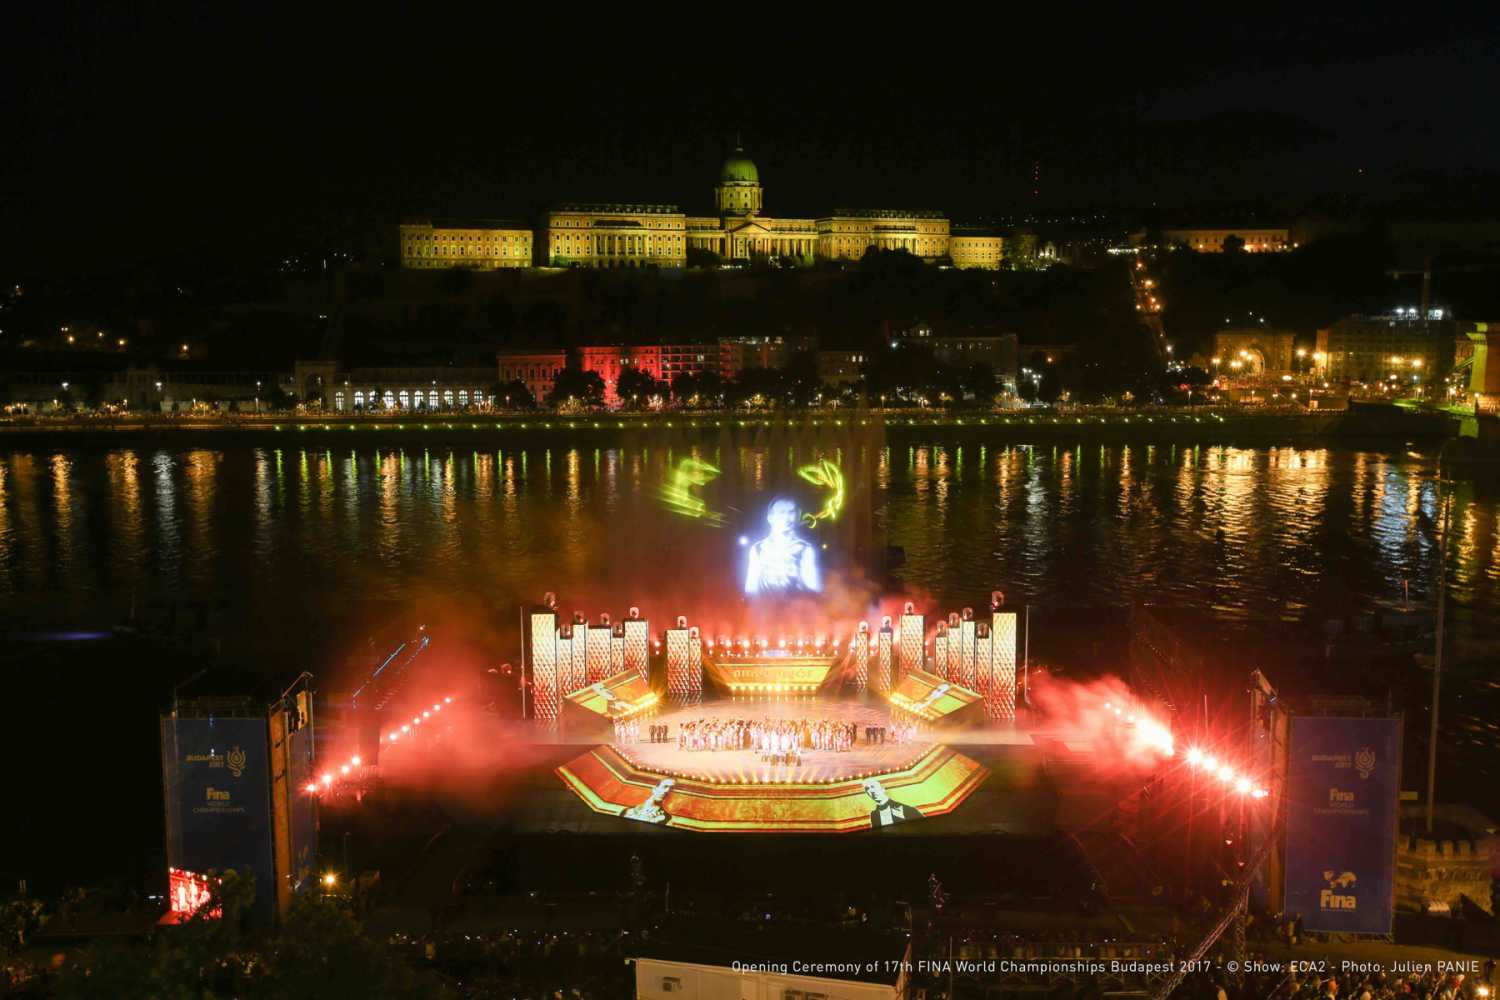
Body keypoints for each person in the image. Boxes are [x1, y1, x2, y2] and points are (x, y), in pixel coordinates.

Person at [743, 497, 821, 595]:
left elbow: (814, 589)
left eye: (791, 512)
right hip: (764, 608)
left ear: (797, 516)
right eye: (781, 512)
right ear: (770, 517)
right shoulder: (757, 549)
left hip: (796, 608)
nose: (787, 518)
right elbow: (751, 588)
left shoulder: (805, 549)